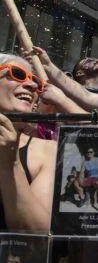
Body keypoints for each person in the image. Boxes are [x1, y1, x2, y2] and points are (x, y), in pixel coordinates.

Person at [0, 54, 56, 233]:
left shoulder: (47, 151)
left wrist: (11, 163)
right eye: (17, 73)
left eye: (36, 83)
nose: (32, 86)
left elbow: (37, 234)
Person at [79, 147, 98, 212]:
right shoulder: (85, 162)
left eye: (91, 152)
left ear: (93, 153)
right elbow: (81, 172)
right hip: (88, 179)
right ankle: (83, 199)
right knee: (76, 182)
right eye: (88, 152)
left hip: (96, 178)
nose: (89, 153)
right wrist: (80, 179)